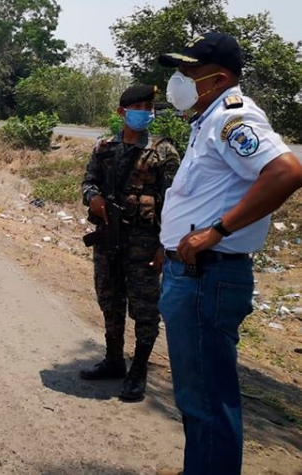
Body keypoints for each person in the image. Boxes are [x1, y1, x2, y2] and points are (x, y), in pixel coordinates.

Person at [154, 32, 302, 475]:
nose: (178, 81)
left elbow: (286, 172)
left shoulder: (233, 119)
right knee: (196, 397)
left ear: (217, 79)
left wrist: (215, 232)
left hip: (207, 278)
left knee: (207, 401)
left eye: (188, 72)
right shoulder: (209, 118)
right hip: (193, 274)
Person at [80, 84, 181, 402]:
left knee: (145, 309)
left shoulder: (164, 152)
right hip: (109, 240)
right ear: (122, 112)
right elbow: (88, 181)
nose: (145, 112)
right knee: (109, 300)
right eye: (137, 106)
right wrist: (93, 198)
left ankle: (138, 371)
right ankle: (113, 360)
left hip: (145, 245)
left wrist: (165, 246)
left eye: (149, 106)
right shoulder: (104, 148)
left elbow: (176, 203)